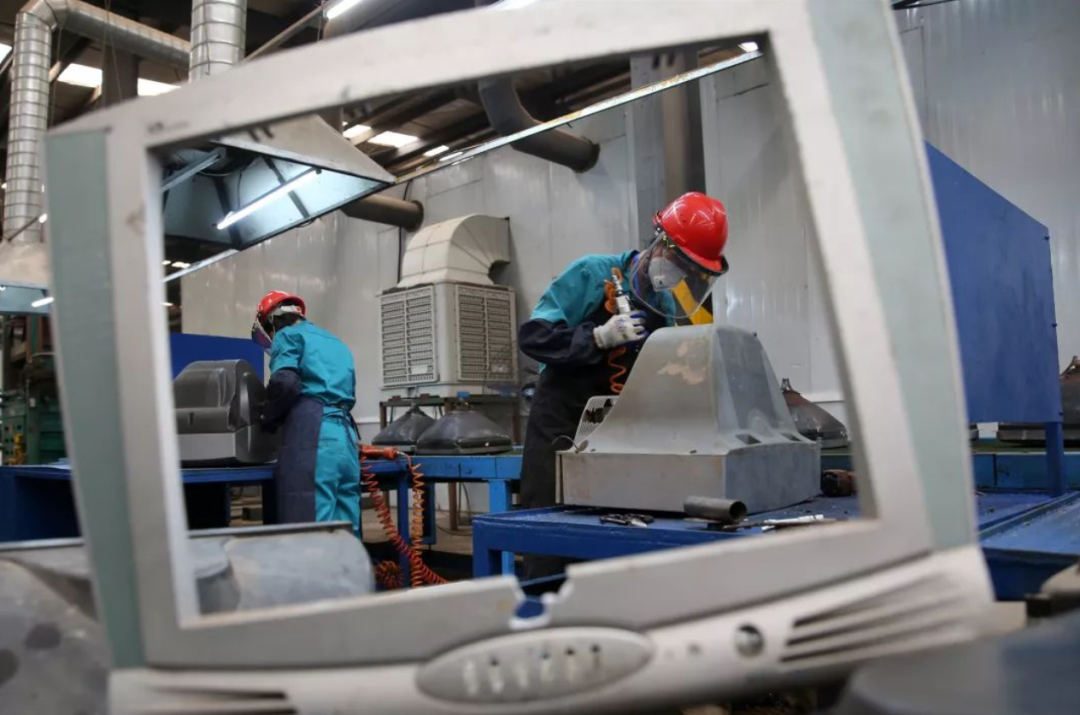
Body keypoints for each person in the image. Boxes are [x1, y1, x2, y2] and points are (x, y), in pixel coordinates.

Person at [517, 192, 730, 576]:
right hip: (561, 428)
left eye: (692, 272)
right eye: (680, 263)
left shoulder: (664, 307)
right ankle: (546, 608)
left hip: (617, 435)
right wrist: (597, 337)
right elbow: (533, 337)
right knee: (550, 540)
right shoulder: (592, 274)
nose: (680, 275)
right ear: (659, 245)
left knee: (610, 537)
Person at [252, 291, 362, 535]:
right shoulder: (336, 343)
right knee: (347, 530)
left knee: (312, 527)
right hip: (346, 440)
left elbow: (285, 382)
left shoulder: (287, 336)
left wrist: (268, 416)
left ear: (272, 322)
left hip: (315, 437)